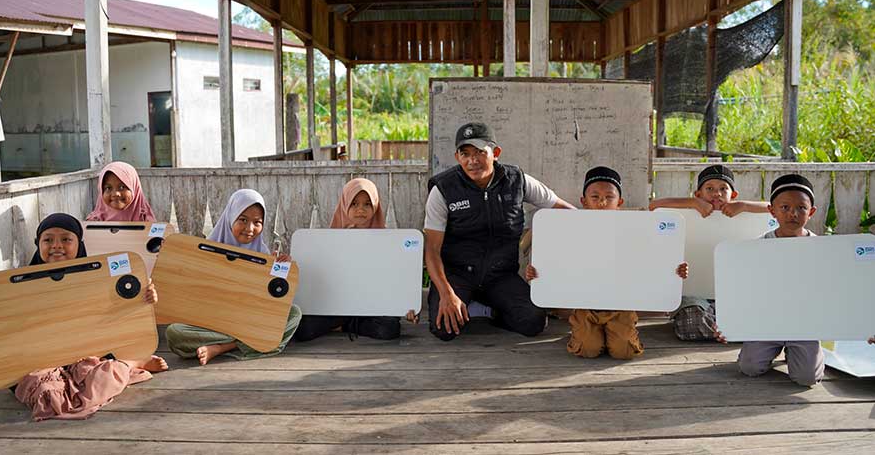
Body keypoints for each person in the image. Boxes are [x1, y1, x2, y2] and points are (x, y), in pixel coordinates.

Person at [424, 122, 576, 341]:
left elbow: (562, 209)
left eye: (479, 152)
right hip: (457, 276)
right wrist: (447, 294)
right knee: (443, 330)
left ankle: (489, 311)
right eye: (465, 153)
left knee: (534, 322)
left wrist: (598, 227)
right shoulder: (443, 189)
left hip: (500, 276)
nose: (472, 161)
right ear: (457, 157)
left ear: (495, 153)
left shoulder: (518, 181)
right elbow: (432, 248)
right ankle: (463, 302)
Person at [14, 213, 166, 421]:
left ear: (79, 243)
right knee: (43, 391)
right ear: (37, 244)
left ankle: (132, 364)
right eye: (48, 239)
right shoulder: (20, 285)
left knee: (104, 375)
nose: (56, 245)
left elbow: (116, 313)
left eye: (66, 239)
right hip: (43, 359)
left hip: (85, 356)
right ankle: (128, 365)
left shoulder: (95, 278)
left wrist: (145, 299)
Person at [525, 167, 688, 359]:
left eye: (609, 197)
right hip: (585, 305)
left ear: (619, 202)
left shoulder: (635, 231)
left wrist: (674, 270)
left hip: (622, 306)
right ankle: (584, 332)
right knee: (588, 349)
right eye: (595, 196)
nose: (602, 202)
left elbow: (652, 261)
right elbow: (557, 262)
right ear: (583, 201)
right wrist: (538, 273)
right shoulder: (570, 230)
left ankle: (613, 333)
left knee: (623, 352)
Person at [165, 189, 302, 365]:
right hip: (213, 322)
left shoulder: (264, 254)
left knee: (294, 313)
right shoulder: (208, 250)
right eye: (243, 220)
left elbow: (273, 302)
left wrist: (281, 270)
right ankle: (247, 343)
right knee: (175, 333)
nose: (250, 229)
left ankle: (224, 347)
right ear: (231, 218)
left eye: (257, 222)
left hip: (247, 320)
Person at [719, 174, 825, 387]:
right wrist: (729, 322)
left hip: (804, 324)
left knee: (807, 379)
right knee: (749, 367)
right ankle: (775, 349)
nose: (793, 214)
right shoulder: (757, 248)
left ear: (811, 212)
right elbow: (742, 288)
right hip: (767, 323)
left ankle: (814, 353)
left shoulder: (823, 250)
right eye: (784, 207)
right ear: (772, 210)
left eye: (801, 208)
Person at [650, 165, 769, 342]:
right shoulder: (688, 214)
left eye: (723, 189)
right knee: (691, 320)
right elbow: (654, 206)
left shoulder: (744, 214)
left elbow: (773, 207)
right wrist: (692, 203)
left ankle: (724, 329)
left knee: (758, 311)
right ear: (698, 194)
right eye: (710, 189)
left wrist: (743, 205)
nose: (717, 194)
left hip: (734, 297)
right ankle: (732, 330)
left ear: (733, 195)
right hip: (695, 299)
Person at [294, 178, 415, 342]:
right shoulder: (330, 239)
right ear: (344, 205)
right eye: (354, 204)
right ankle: (346, 321)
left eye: (367, 204)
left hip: (372, 306)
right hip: (337, 305)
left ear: (375, 206)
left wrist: (406, 305)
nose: (361, 210)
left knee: (388, 329)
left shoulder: (388, 241)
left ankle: (348, 324)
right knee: (302, 330)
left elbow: (396, 277)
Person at [86, 161, 156, 222]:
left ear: (134, 188)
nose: (116, 194)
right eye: (108, 188)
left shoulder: (147, 223)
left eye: (122, 187)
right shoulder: (93, 223)